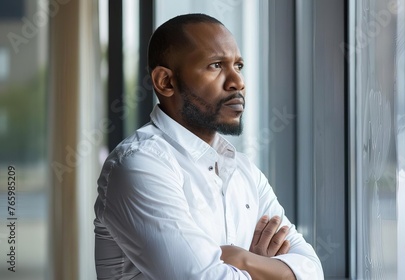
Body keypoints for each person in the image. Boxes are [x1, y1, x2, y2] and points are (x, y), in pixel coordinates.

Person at [94, 13, 324, 280]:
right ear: (165, 82)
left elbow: (312, 270)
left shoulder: (243, 171)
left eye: (238, 65)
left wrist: (240, 258)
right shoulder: (139, 165)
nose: (237, 82)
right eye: (216, 65)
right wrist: (268, 269)